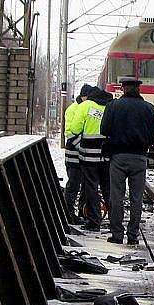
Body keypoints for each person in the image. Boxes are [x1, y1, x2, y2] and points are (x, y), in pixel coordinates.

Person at [100, 76, 154, 245]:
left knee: (116, 196)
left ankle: (117, 235)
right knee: (136, 197)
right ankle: (133, 236)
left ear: (123, 88)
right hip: (139, 157)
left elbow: (104, 129)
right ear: (138, 89)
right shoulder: (149, 108)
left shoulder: (113, 106)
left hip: (118, 157)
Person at [67, 86, 112, 231]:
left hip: (88, 156)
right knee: (108, 188)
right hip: (106, 157)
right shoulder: (110, 106)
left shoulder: (86, 106)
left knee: (91, 187)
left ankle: (94, 221)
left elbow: (74, 129)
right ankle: (114, 221)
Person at [64, 84, 93, 222]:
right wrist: (83, 147)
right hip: (74, 155)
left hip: (83, 156)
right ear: (83, 96)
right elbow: (70, 132)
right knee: (73, 185)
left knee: (85, 187)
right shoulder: (72, 110)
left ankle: (82, 212)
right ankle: (68, 213)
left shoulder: (86, 108)